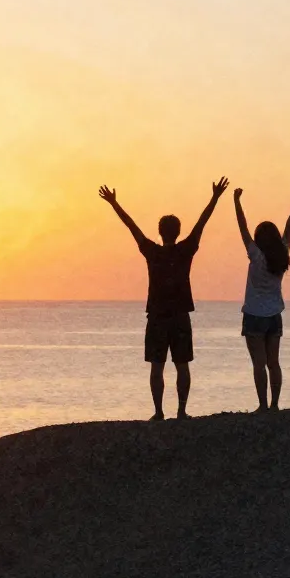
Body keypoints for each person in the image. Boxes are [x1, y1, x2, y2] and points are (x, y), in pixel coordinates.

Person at [99, 178, 229, 420]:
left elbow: (132, 226)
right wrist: (215, 197)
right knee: (182, 365)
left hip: (158, 317)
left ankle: (159, 412)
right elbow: (202, 222)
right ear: (178, 231)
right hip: (180, 316)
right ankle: (181, 410)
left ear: (160, 232)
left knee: (157, 366)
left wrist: (114, 203)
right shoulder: (185, 250)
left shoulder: (153, 252)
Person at [233, 185, 290, 412]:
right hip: (274, 315)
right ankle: (275, 404)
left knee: (259, 364)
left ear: (258, 239)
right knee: (273, 363)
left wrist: (236, 201)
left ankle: (262, 405)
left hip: (254, 315)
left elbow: (242, 227)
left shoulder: (255, 255)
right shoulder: (282, 253)